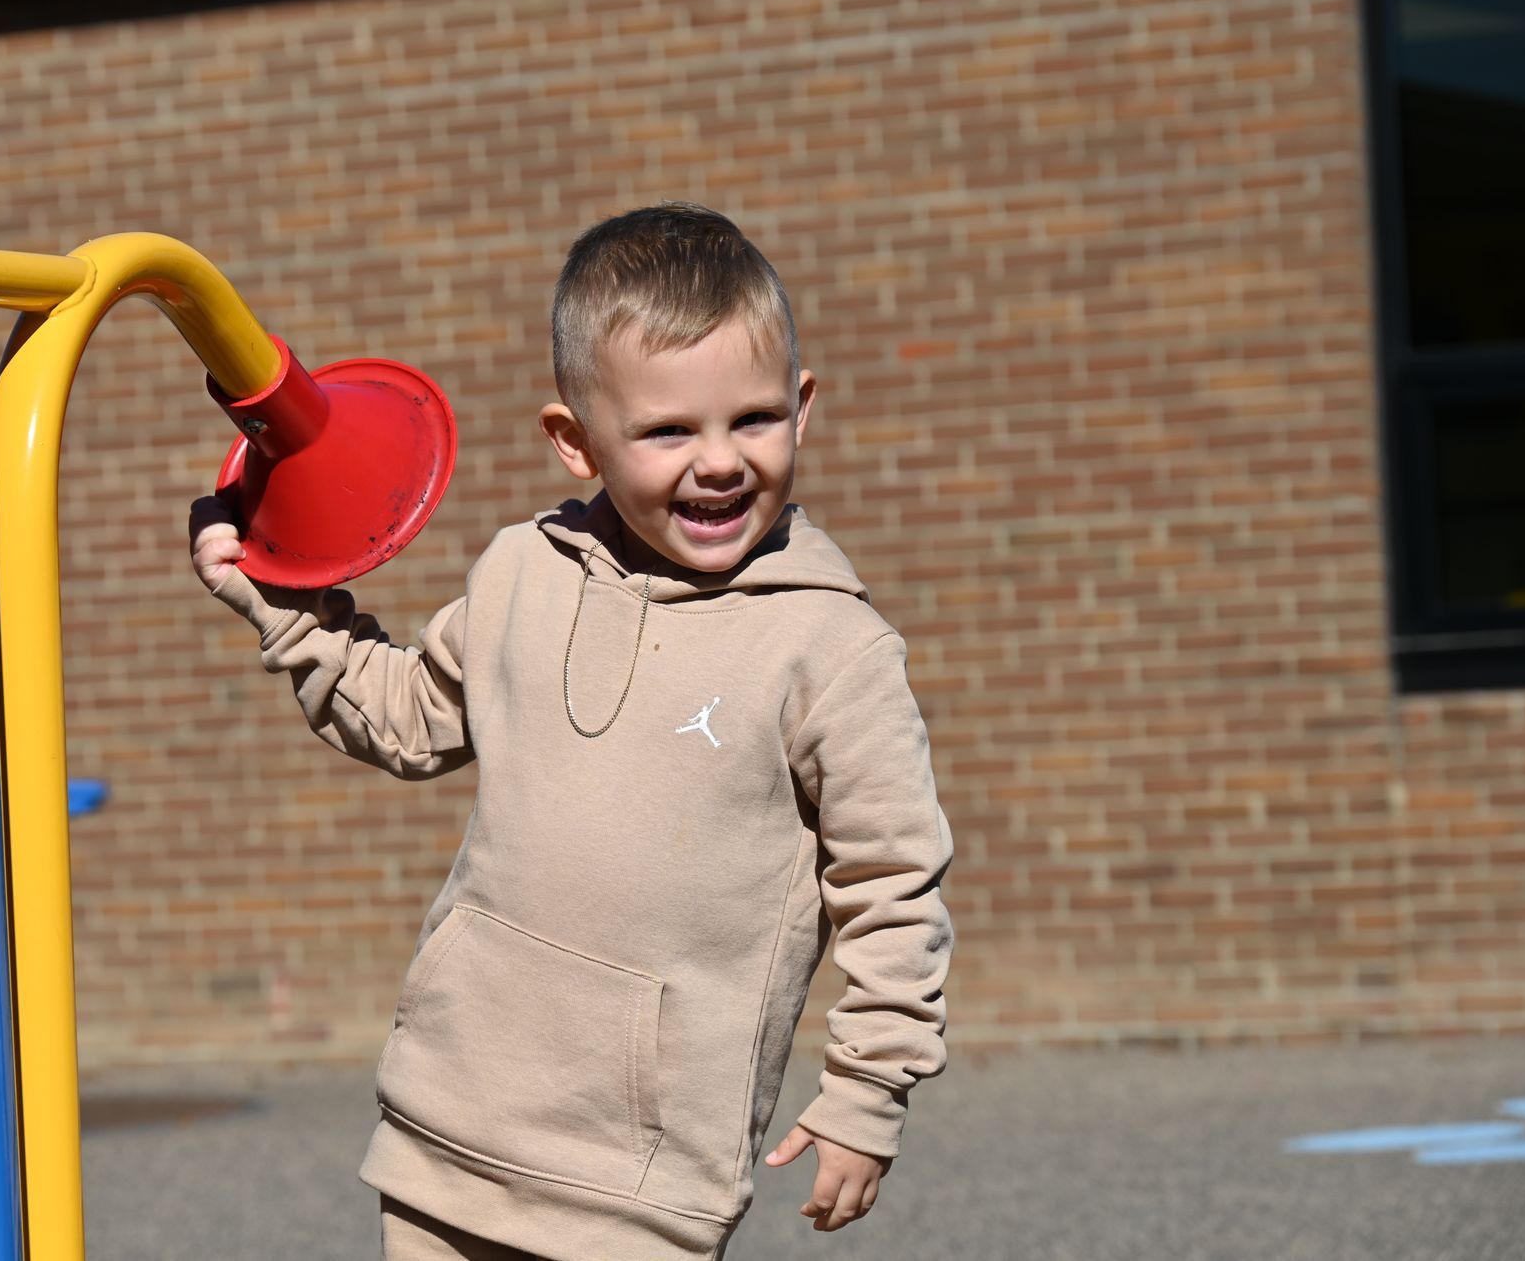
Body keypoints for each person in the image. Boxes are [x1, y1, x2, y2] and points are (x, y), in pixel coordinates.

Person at [190, 202, 953, 1260]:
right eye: (668, 430)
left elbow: (893, 880)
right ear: (575, 440)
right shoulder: (520, 573)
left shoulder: (829, 643)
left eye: (754, 419)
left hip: (642, 1174)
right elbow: (408, 719)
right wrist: (283, 610)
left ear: (803, 408)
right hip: (450, 1125)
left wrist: (868, 1086)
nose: (720, 460)